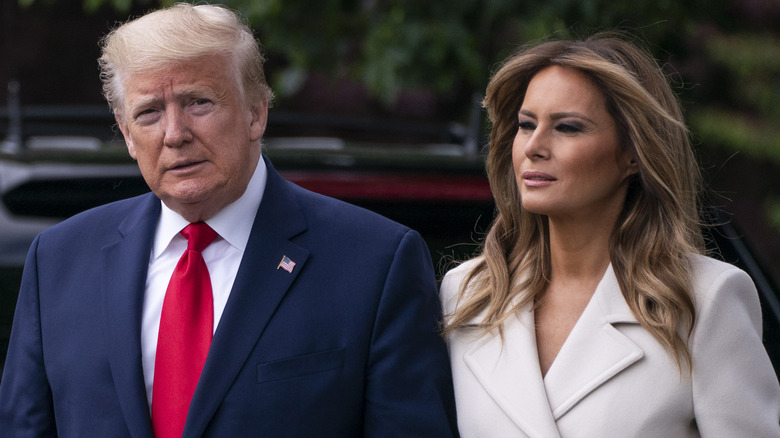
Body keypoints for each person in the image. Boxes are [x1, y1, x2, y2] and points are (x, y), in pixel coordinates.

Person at [0, 4, 458, 437]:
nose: (175, 134)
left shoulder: (375, 262)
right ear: (126, 133)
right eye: (149, 113)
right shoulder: (58, 260)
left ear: (256, 111)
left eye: (198, 102)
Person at [440, 33, 780, 437]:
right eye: (526, 124)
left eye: (567, 127)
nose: (534, 146)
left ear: (633, 155)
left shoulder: (705, 300)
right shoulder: (468, 293)